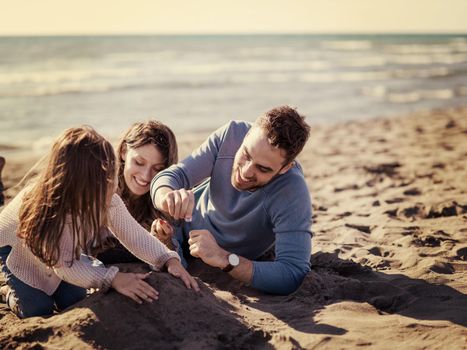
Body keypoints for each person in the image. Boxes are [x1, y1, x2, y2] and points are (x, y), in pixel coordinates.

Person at [0, 126, 198, 319]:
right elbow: (64, 266)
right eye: (102, 178)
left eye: (111, 172)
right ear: (76, 182)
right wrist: (113, 278)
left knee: (73, 299)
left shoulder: (106, 196)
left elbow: (133, 235)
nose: (111, 182)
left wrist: (167, 258)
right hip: (18, 248)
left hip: (61, 251)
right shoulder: (47, 209)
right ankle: (7, 295)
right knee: (37, 308)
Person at [151, 105, 312, 295]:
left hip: (223, 258)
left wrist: (224, 258)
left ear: (285, 168)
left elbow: (292, 273)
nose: (245, 172)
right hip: (178, 227)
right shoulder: (232, 134)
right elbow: (174, 175)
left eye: (263, 169)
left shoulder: (292, 191)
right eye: (246, 154)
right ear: (246, 136)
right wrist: (167, 197)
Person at [97, 121, 178, 264]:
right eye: (139, 163)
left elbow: (176, 260)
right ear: (123, 151)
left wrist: (164, 241)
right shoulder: (100, 190)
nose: (146, 176)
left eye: (158, 169)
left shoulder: (167, 201)